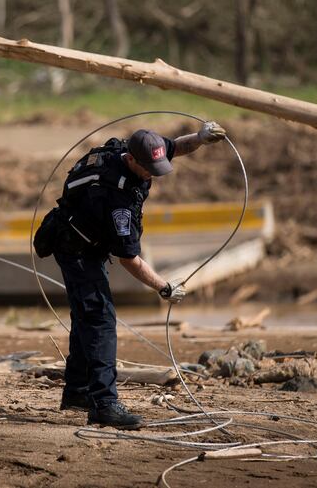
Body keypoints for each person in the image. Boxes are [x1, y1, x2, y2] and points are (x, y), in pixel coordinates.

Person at [37, 122, 227, 429]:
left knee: (88, 317)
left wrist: (202, 138)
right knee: (100, 319)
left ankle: (78, 391)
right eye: (149, 168)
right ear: (132, 160)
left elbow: (177, 145)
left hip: (87, 240)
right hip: (76, 250)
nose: (154, 173)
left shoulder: (135, 149)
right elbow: (129, 259)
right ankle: (104, 403)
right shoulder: (117, 198)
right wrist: (165, 287)